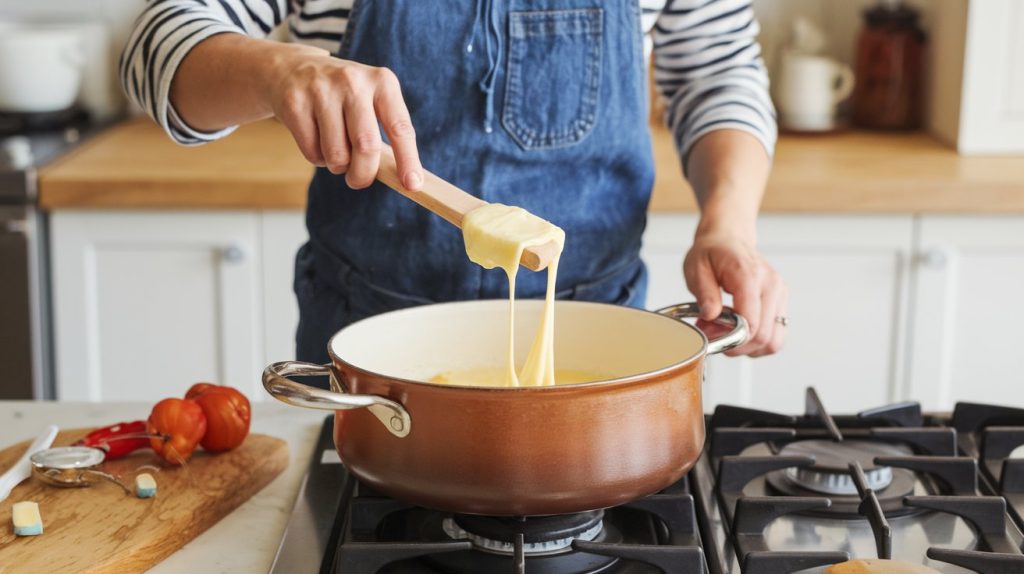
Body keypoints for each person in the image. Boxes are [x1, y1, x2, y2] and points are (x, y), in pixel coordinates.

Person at [121, 0, 788, 364]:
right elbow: (157, 45)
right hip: (371, 355)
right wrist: (273, 68)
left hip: (599, 343)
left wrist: (728, 224)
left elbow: (718, 72)